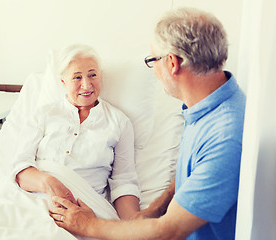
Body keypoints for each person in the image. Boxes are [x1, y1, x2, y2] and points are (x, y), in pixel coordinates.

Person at [49, 7, 246, 240]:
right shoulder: (206, 104)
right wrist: (155, 208)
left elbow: (169, 231)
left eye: (153, 60)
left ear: (172, 63)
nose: (153, 70)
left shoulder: (225, 136)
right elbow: (195, 171)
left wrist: (87, 225)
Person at [13, 44, 140, 220]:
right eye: (77, 77)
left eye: (92, 75)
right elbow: (20, 169)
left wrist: (134, 229)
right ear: (63, 82)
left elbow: (124, 182)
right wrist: (50, 183)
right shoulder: (43, 115)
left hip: (84, 211)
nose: (86, 85)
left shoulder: (119, 123)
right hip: (32, 202)